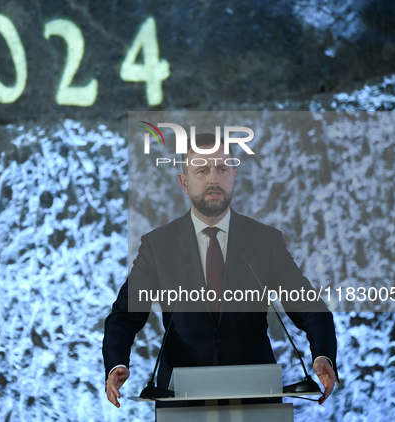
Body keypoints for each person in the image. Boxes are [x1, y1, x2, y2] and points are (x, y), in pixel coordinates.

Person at [103, 133, 338, 409]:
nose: (214, 178)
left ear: (233, 176)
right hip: (183, 400)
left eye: (222, 169)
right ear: (184, 182)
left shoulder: (265, 241)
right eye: (202, 170)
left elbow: (308, 305)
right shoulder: (159, 246)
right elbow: (124, 316)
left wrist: (323, 355)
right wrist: (117, 363)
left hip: (255, 397)